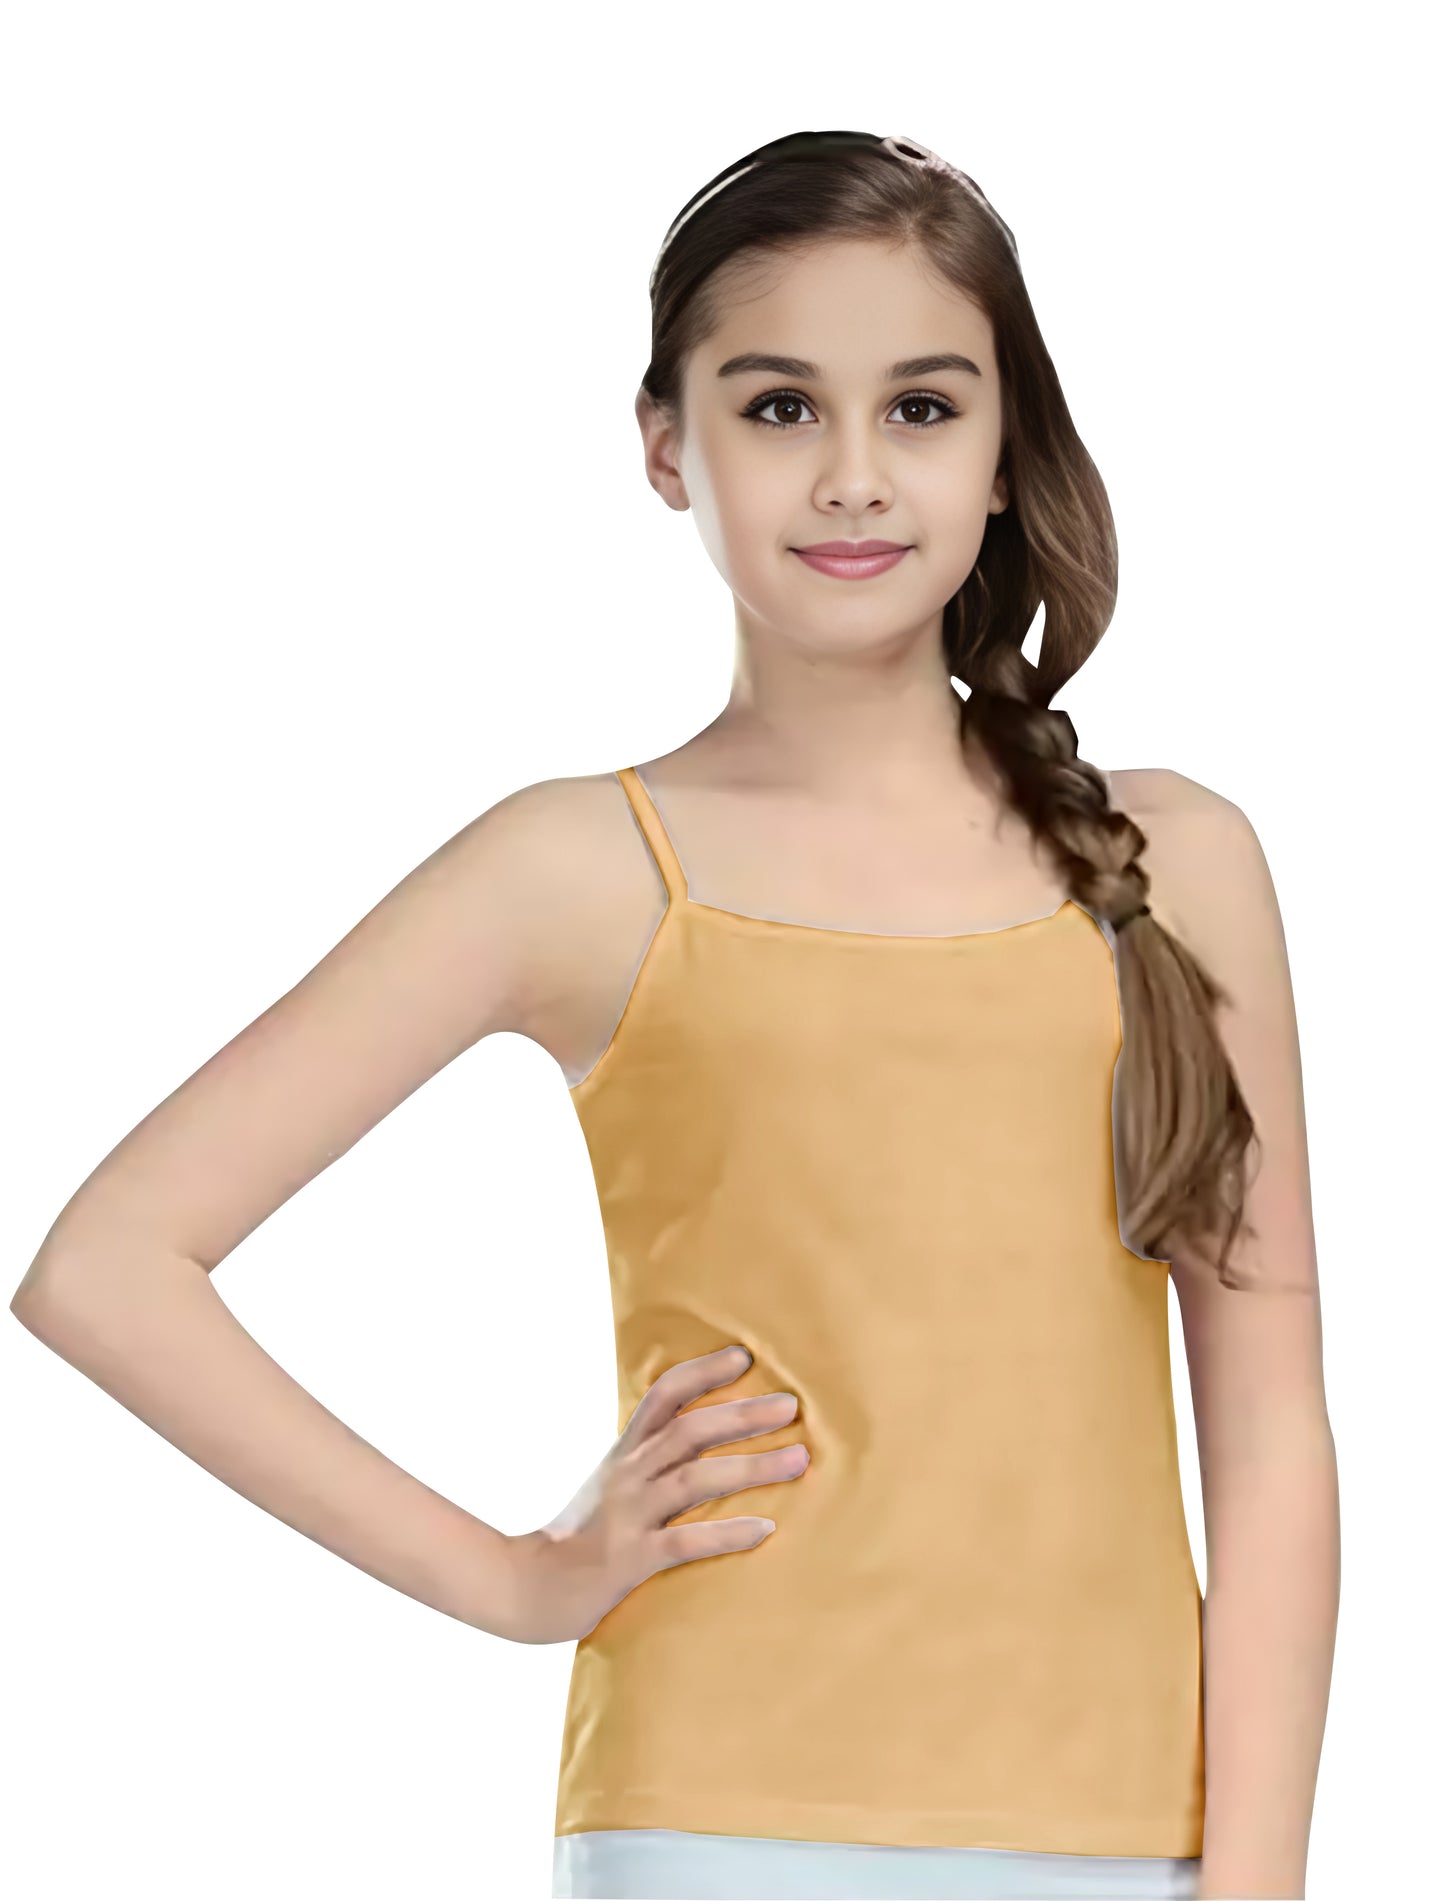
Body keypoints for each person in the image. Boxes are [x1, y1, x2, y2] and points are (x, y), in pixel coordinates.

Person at [10, 128, 1338, 1901]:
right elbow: (107, 1265)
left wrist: (1256, 1881)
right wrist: (512, 1577)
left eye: (920, 407)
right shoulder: (577, 868)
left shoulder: (1180, 859)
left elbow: (1269, 1427)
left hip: (1126, 1822)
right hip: (713, 1815)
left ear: (1004, 444)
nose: (852, 475)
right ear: (664, 446)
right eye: (778, 406)